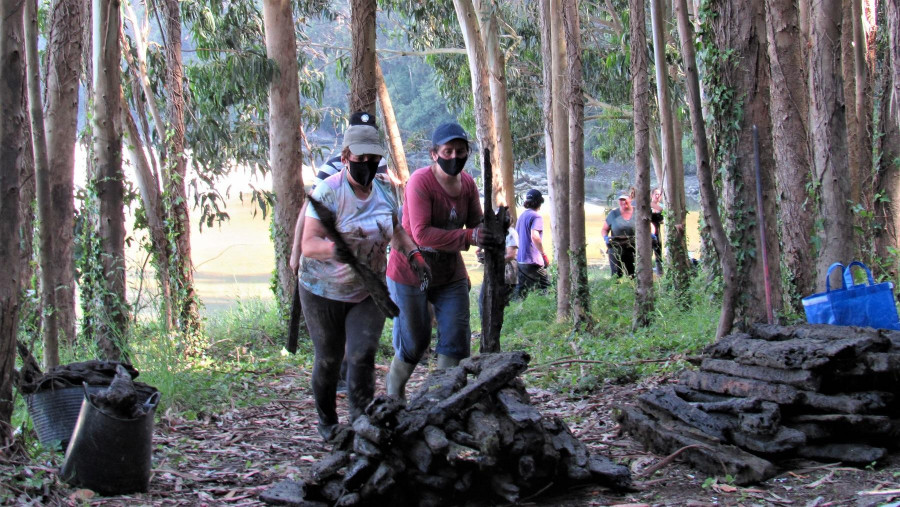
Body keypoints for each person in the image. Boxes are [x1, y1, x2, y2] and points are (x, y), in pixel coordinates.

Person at [291, 122, 428, 441]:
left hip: (367, 290)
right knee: (328, 358)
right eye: (361, 157)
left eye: (373, 158)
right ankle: (327, 421)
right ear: (346, 156)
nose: (367, 164)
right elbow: (308, 244)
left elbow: (397, 229)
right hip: (322, 290)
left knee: (362, 355)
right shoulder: (329, 191)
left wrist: (415, 255)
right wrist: (335, 249)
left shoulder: (383, 191)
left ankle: (361, 423)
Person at [384, 122, 501, 399]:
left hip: (450, 275)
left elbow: (476, 222)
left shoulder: (469, 184)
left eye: (460, 151)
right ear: (434, 154)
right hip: (410, 273)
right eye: (447, 151)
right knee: (415, 343)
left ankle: (438, 398)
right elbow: (421, 234)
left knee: (456, 341)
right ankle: (394, 396)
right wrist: (470, 238)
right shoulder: (419, 183)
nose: (454, 157)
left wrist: (494, 227)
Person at [477, 217, 519, 316]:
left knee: (502, 302)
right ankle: (487, 326)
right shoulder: (495, 233)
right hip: (493, 270)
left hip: (507, 273)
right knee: (484, 299)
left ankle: (503, 327)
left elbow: (511, 255)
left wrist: (493, 261)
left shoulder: (511, 233)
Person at [514, 189, 551, 298]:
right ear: (539, 202)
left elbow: (516, 237)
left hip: (520, 260)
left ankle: (517, 311)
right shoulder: (536, 216)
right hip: (533, 261)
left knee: (521, 292)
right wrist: (543, 254)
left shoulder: (522, 216)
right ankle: (548, 310)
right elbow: (535, 236)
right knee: (548, 286)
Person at [602, 193, 636, 278]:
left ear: (630, 200)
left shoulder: (638, 212)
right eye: (621, 200)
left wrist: (651, 234)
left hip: (633, 246)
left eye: (625, 200)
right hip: (616, 247)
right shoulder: (613, 214)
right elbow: (604, 229)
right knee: (616, 274)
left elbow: (650, 226)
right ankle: (616, 289)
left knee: (632, 273)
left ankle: (632, 289)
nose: (623, 202)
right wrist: (605, 238)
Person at [650, 187, 664, 275]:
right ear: (652, 195)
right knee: (648, 253)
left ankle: (660, 274)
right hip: (648, 233)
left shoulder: (661, 207)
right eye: (656, 194)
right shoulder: (648, 205)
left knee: (658, 253)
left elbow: (662, 221)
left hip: (657, 232)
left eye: (659, 195)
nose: (657, 196)